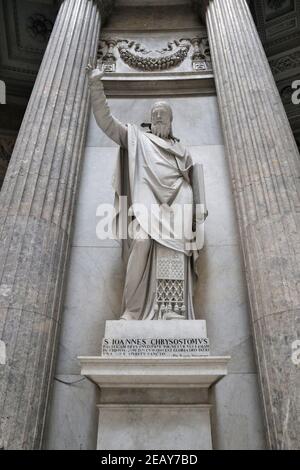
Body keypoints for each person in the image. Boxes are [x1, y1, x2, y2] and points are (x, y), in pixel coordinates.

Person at [86, 60, 207, 320]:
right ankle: (132, 310)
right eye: (155, 114)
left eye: (163, 114)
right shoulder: (137, 138)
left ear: (171, 120)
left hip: (178, 204)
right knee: (140, 242)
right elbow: (107, 123)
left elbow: (195, 176)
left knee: (173, 253)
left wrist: (199, 207)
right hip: (146, 203)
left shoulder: (182, 149)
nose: (159, 117)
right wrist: (96, 85)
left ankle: (172, 309)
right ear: (150, 120)